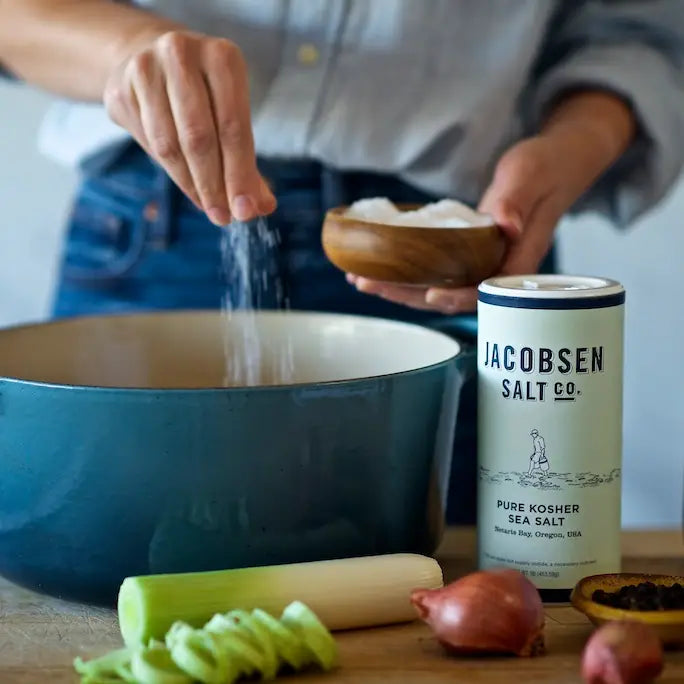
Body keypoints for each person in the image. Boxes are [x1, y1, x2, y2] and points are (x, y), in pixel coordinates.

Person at [1, 1, 683, 522]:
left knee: (441, 590)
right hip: (156, 230)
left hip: (450, 253)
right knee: (102, 562)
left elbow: (638, 31)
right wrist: (126, 50)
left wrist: (573, 146)